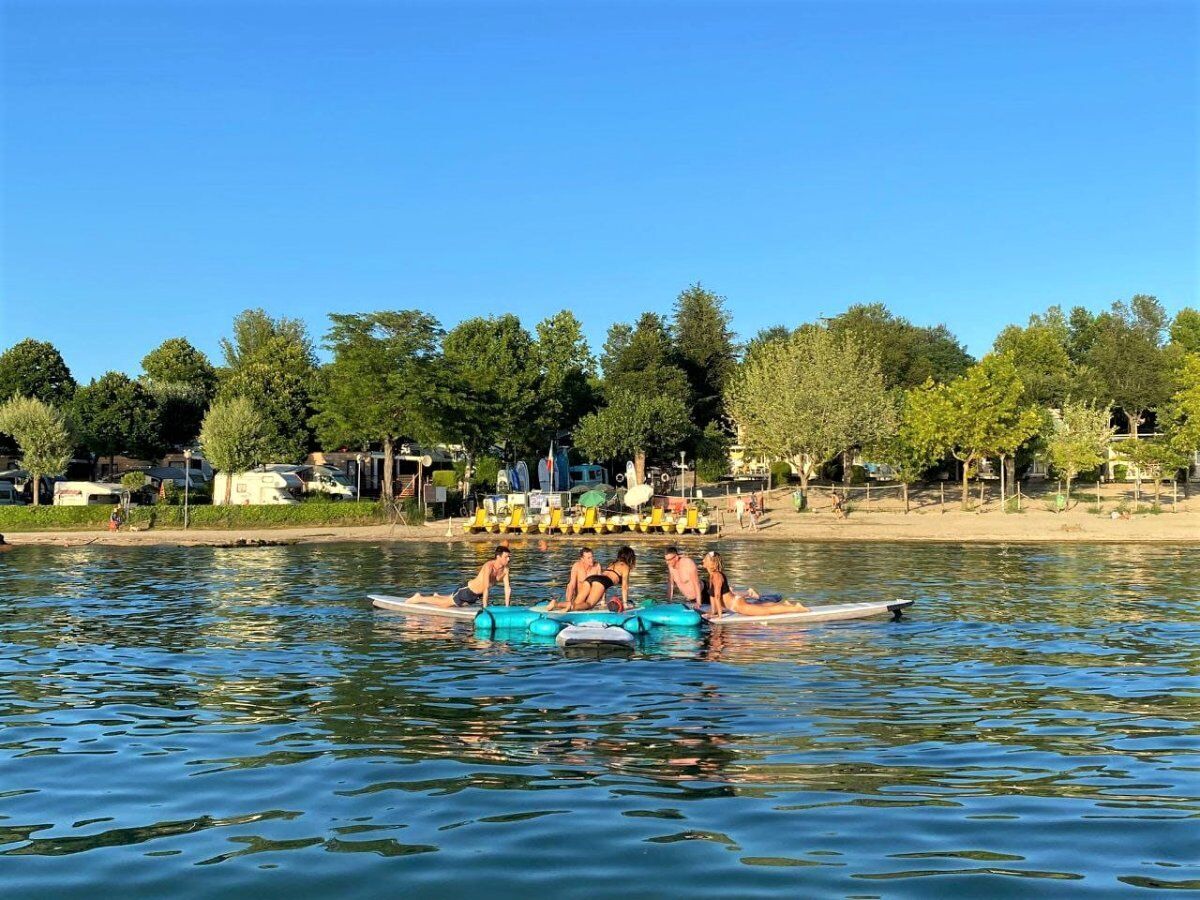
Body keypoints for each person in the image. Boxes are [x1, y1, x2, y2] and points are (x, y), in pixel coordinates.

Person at [702, 551, 807, 618]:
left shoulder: (716, 576)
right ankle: (786, 605)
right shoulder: (712, 576)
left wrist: (719, 616)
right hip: (735, 604)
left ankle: (796, 608)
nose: (703, 560)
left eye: (705, 559)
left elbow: (716, 596)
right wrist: (712, 612)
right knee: (761, 606)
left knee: (766, 612)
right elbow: (712, 597)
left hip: (737, 605)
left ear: (712, 563)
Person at [421, 545, 512, 608]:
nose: (508, 559)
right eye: (506, 557)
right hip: (467, 591)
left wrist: (507, 607)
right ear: (498, 557)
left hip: (477, 596)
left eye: (509, 557)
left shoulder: (505, 570)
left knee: (453, 603)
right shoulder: (488, 566)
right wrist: (485, 609)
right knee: (444, 604)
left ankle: (437, 596)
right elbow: (486, 588)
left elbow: (507, 589)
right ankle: (418, 598)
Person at [575, 545, 636, 612]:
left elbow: (604, 582)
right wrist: (625, 604)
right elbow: (624, 587)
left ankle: (562, 607)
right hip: (600, 581)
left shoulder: (612, 564)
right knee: (589, 605)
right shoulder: (625, 567)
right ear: (629, 557)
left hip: (591, 578)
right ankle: (570, 607)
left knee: (576, 604)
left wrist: (603, 601)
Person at [545, 547, 600, 612]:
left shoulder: (597, 566)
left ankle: (557, 604)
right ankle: (566, 604)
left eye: (592, 557)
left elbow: (600, 586)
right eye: (588, 558)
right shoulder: (576, 566)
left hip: (590, 599)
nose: (591, 560)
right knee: (570, 586)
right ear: (582, 559)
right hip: (578, 598)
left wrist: (602, 601)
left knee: (588, 603)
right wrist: (568, 601)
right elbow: (572, 585)